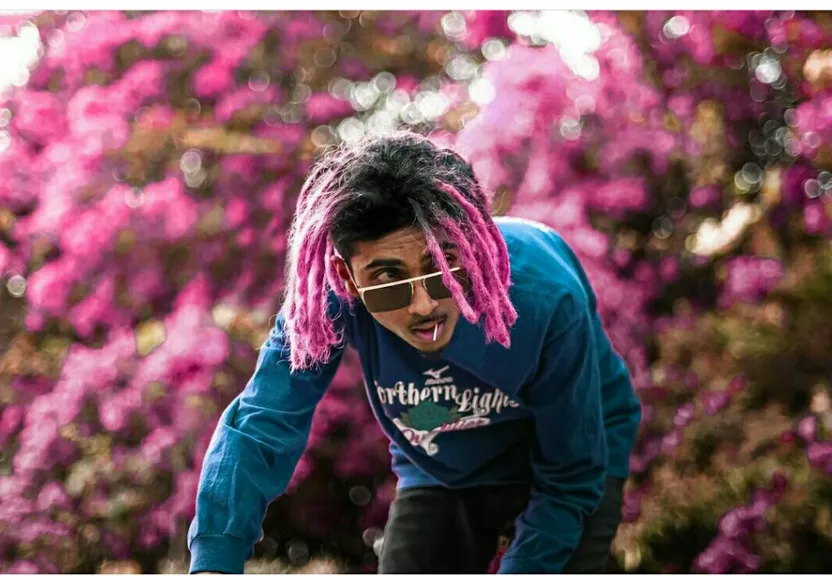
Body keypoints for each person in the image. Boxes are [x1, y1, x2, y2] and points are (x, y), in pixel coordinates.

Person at [187, 131, 642, 574]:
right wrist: (215, 562)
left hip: (576, 461)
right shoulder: (323, 303)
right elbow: (261, 425)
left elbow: (569, 475)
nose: (424, 307)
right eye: (389, 282)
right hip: (442, 470)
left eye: (443, 269)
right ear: (348, 279)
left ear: (475, 249)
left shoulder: (544, 293)